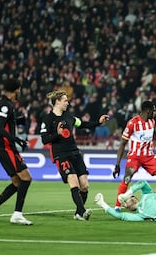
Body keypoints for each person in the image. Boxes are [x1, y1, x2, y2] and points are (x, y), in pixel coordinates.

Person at [40, 90, 109, 220]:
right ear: (57, 102)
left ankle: (78, 212)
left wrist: (98, 123)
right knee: (73, 181)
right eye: (65, 100)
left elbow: (82, 124)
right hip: (61, 155)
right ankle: (82, 212)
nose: (68, 102)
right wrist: (57, 134)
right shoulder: (48, 119)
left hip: (75, 152)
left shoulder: (69, 116)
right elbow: (44, 139)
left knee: (85, 185)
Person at [0, 78, 33, 225]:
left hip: (5, 147)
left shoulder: (6, 105)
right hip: (5, 147)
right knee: (26, 178)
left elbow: (5, 124)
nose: (20, 92)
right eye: (19, 89)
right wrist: (17, 140)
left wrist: (18, 121)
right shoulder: (6, 105)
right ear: (16, 89)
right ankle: (17, 214)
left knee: (17, 182)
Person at [112, 100, 156, 211]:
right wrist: (117, 164)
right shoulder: (132, 123)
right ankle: (117, 207)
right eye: (153, 111)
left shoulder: (152, 122)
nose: (155, 113)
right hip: (135, 156)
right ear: (148, 111)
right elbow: (122, 144)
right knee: (127, 178)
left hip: (149, 156)